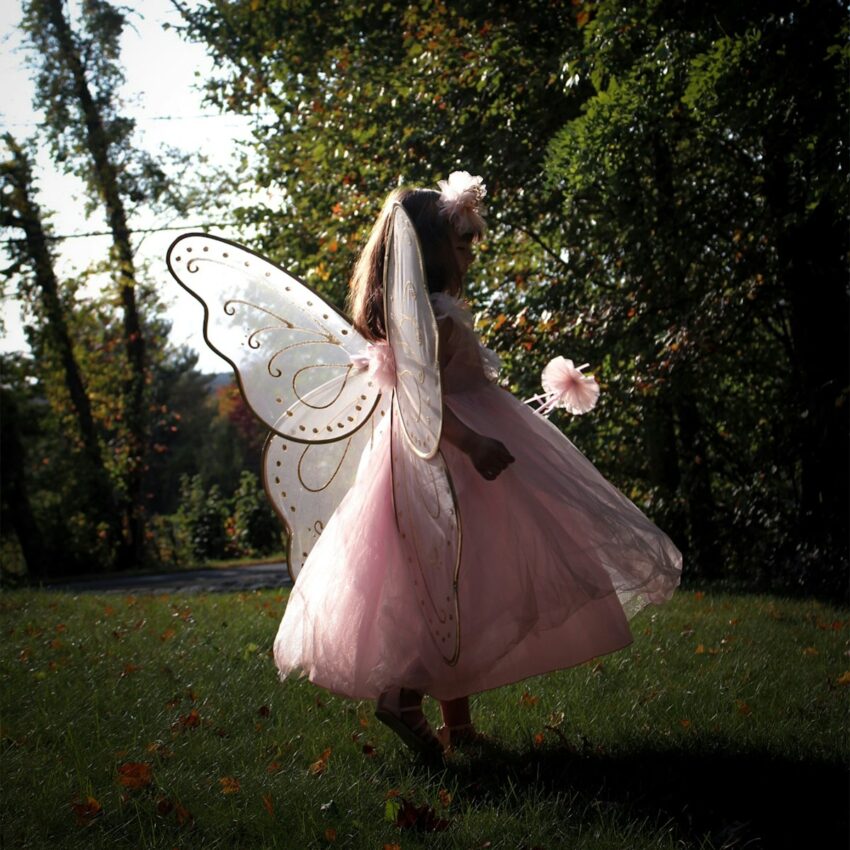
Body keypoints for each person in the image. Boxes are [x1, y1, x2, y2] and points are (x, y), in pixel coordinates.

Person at [273, 172, 682, 755]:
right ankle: (404, 696)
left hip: (418, 460)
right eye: (461, 242)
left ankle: (457, 727)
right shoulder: (435, 317)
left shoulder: (414, 315)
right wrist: (475, 443)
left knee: (451, 591)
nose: (470, 253)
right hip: (453, 460)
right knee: (463, 586)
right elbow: (428, 403)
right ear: (431, 250)